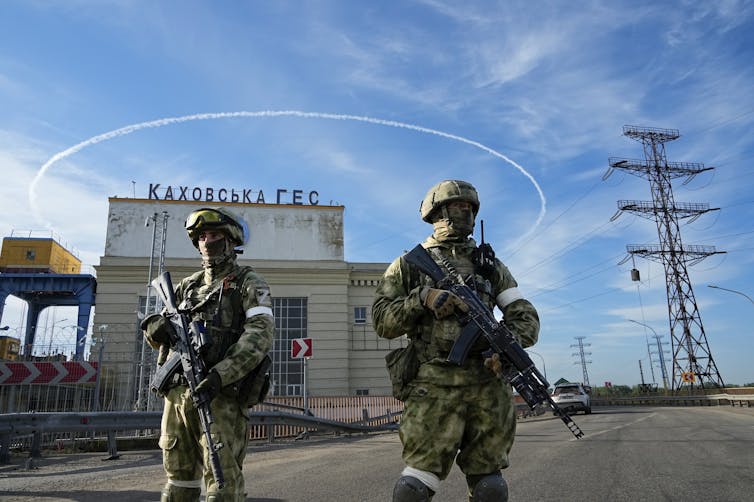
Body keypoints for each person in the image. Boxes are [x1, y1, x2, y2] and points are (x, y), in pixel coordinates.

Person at [372, 180, 540, 502]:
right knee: (415, 488)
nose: (465, 213)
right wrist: (421, 299)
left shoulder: (490, 266)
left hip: (487, 385)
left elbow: (524, 314)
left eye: (470, 208)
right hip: (434, 384)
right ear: (438, 212)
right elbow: (381, 320)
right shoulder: (408, 264)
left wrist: (506, 346)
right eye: (458, 206)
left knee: (491, 487)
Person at [141, 207, 274, 502]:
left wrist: (220, 374)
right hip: (178, 396)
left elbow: (259, 335)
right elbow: (154, 334)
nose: (206, 241)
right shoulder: (187, 286)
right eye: (201, 236)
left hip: (220, 396)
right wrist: (157, 328)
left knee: (222, 484)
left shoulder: (248, 283)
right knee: (178, 482)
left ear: (229, 240)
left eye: (213, 235)